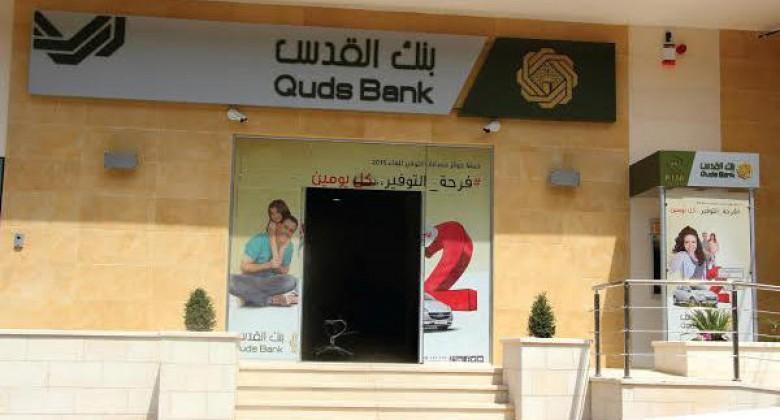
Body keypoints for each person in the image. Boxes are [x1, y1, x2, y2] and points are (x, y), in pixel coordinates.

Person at [230, 215, 299, 307]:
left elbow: (284, 271)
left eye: (291, 231)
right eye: (285, 227)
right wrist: (269, 265)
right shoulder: (259, 240)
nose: (287, 232)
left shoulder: (289, 246)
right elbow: (244, 267)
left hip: (270, 281)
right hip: (252, 280)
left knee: (291, 281)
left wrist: (282, 250)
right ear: (278, 225)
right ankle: (272, 300)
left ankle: (248, 297)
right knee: (229, 280)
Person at [265, 200, 292, 269]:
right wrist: (275, 257)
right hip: (273, 251)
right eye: (272, 214)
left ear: (283, 211)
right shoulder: (272, 225)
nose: (275, 216)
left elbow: (287, 240)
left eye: (277, 212)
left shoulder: (288, 222)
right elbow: (272, 241)